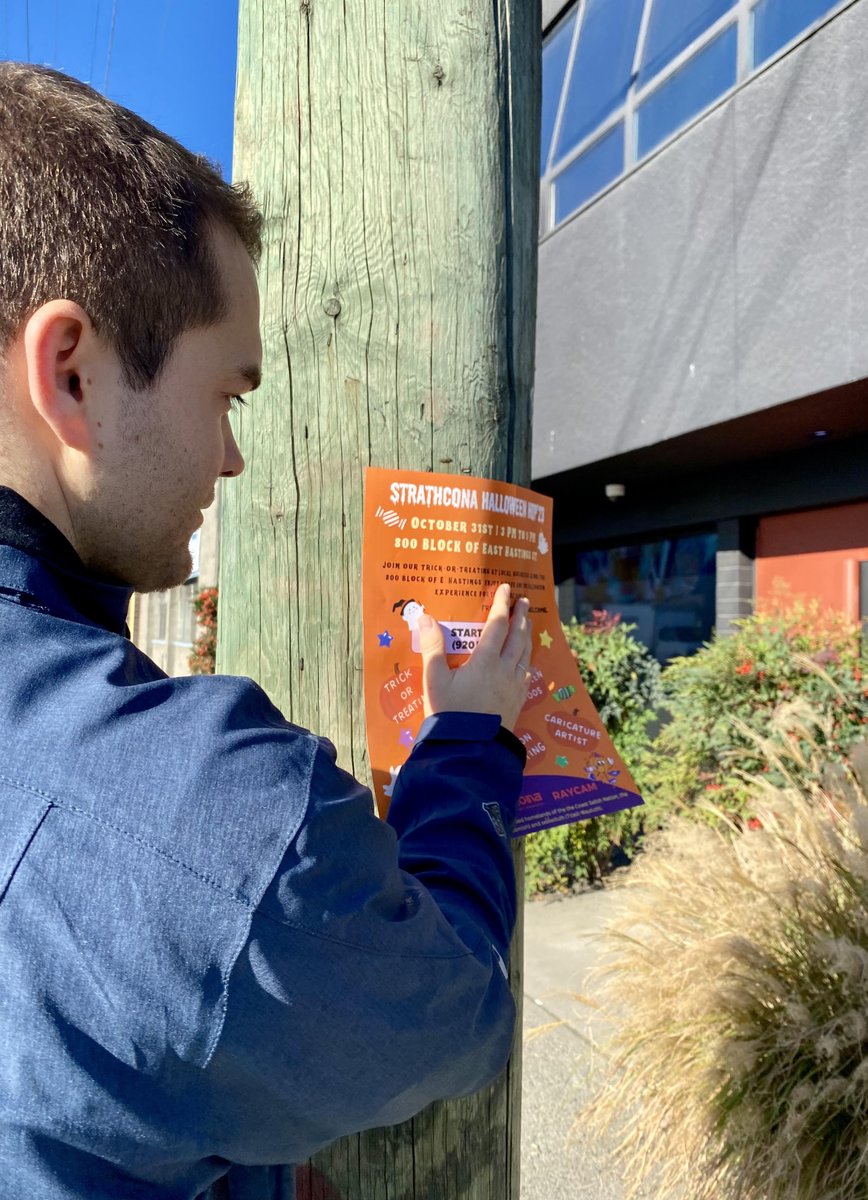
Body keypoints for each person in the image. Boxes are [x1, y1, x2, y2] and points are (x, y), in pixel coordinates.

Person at [0, 63, 532, 1199]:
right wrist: (470, 746)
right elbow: (458, 1009)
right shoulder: (216, 829)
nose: (235, 457)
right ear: (73, 374)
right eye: (228, 396)